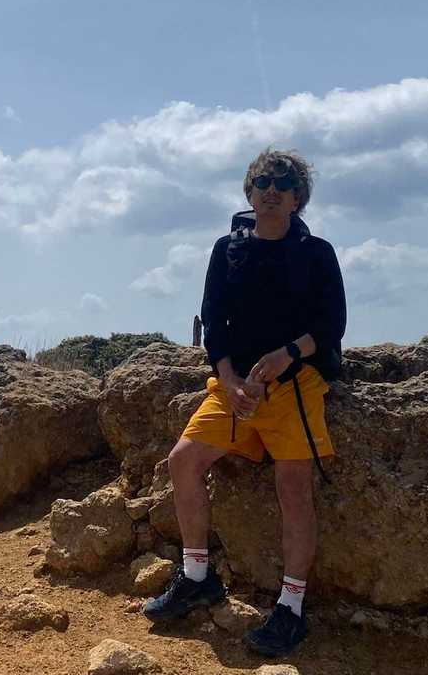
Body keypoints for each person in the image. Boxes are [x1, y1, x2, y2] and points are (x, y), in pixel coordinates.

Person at [142, 148, 346, 660]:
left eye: (284, 183)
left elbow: (331, 325)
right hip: (235, 389)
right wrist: (228, 378)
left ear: (298, 198)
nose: (272, 190)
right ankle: (197, 577)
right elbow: (213, 321)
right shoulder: (228, 249)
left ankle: (291, 607)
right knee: (183, 461)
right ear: (249, 193)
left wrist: (287, 354)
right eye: (263, 182)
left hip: (296, 386)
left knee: (293, 488)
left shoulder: (317, 253)